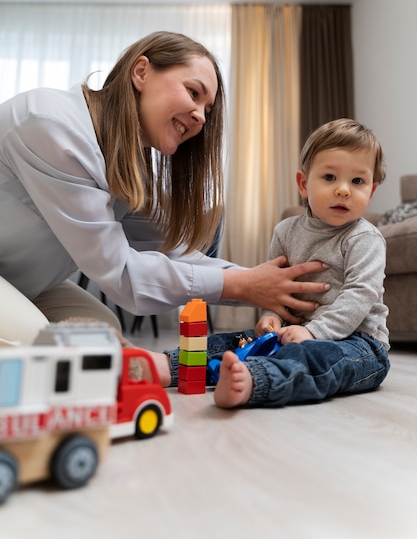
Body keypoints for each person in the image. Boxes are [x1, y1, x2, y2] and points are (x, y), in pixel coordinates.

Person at [0, 31, 328, 345]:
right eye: (193, 92)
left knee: (101, 335)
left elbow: (169, 250)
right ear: (141, 72)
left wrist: (258, 281)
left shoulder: (126, 163)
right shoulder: (53, 127)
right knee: (39, 343)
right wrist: (243, 286)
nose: (200, 117)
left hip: (22, 280)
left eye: (207, 110)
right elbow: (122, 274)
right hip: (13, 277)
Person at [152, 118, 391, 406]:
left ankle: (254, 381)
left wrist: (314, 332)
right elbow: (274, 290)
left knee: (316, 358)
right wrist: (271, 317)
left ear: (372, 191)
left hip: (358, 343)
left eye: (357, 181)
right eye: (329, 177)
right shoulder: (286, 232)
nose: (343, 190)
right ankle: (169, 366)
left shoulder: (365, 239)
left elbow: (360, 295)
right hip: (293, 331)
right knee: (235, 340)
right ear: (303, 184)